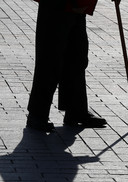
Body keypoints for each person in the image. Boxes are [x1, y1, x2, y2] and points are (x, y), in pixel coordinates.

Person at [26, 0, 111, 132]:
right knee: (50, 59)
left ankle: (76, 110)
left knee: (77, 57)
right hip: (57, 3)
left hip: (78, 4)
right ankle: (37, 114)